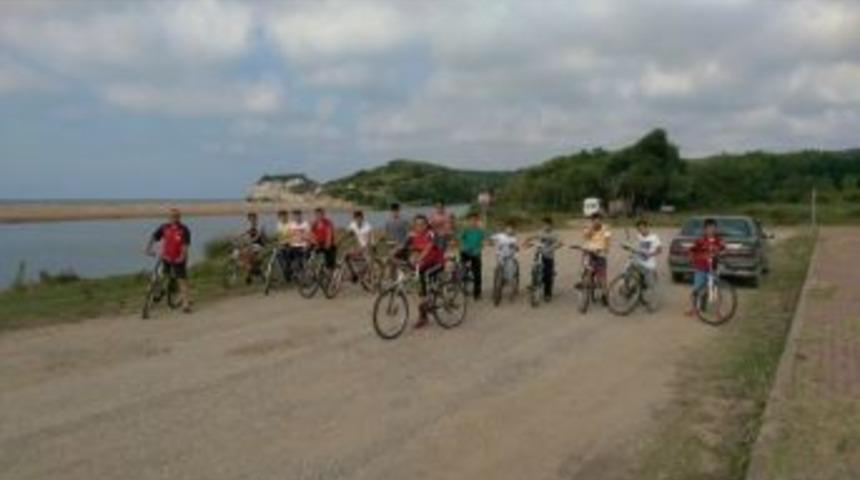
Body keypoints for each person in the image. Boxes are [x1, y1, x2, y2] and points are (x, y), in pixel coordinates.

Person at [146, 208, 192, 313]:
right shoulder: (164, 227)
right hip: (166, 257)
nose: (173, 218)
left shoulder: (184, 229)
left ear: (179, 217)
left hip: (178, 258)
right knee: (163, 276)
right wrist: (148, 248)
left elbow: (185, 245)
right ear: (168, 217)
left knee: (182, 280)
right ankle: (160, 292)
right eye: (171, 216)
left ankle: (186, 304)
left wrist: (182, 256)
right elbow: (154, 236)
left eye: (176, 216)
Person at [404, 214, 445, 328]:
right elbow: (404, 248)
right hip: (423, 264)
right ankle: (424, 312)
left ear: (427, 225)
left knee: (423, 277)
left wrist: (418, 258)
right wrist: (393, 255)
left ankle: (424, 312)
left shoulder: (430, 234)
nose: (419, 227)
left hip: (437, 263)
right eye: (416, 225)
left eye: (422, 224)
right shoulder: (412, 235)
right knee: (414, 287)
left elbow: (428, 247)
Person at [686, 218, 725, 316]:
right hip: (701, 268)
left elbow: (723, 250)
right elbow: (692, 250)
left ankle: (718, 311)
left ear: (716, 229)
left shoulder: (719, 240)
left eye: (713, 228)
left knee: (715, 290)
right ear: (705, 229)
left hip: (713, 268)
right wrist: (691, 258)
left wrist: (718, 252)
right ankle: (693, 309)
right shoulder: (700, 240)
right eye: (708, 228)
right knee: (697, 289)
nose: (711, 230)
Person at [526, 216, 561, 301]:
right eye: (544, 224)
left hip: (548, 256)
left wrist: (553, 247)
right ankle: (534, 283)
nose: (546, 226)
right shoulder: (540, 232)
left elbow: (560, 242)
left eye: (547, 224)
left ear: (551, 225)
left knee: (548, 275)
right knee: (534, 269)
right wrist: (527, 242)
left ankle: (547, 294)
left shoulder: (554, 234)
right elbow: (531, 237)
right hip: (539, 254)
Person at [457, 212, 486, 300]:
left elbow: (484, 241)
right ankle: (461, 286)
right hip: (465, 252)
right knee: (462, 271)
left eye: (475, 220)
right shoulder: (465, 230)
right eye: (471, 220)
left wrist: (483, 246)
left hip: (475, 253)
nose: (473, 222)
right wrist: (463, 246)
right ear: (468, 221)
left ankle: (477, 293)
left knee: (477, 274)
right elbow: (460, 239)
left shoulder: (480, 231)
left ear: (478, 221)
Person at [582, 212, 611, 290]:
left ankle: (604, 294)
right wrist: (591, 229)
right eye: (594, 220)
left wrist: (606, 249)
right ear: (592, 221)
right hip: (590, 252)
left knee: (602, 275)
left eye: (599, 220)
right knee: (588, 269)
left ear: (601, 220)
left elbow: (607, 240)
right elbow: (586, 237)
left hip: (600, 253)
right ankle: (586, 284)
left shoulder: (606, 228)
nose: (597, 222)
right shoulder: (588, 228)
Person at [634, 218, 662, 292]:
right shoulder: (639, 236)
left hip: (649, 262)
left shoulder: (654, 237)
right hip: (639, 260)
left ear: (646, 227)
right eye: (639, 230)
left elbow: (660, 250)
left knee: (646, 281)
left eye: (642, 229)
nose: (640, 231)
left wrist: (650, 254)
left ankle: (645, 289)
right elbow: (636, 246)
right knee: (629, 268)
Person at [238, 212, 267, 283]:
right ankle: (254, 273)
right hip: (252, 245)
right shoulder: (250, 226)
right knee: (242, 256)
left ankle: (250, 275)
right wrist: (236, 237)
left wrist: (250, 241)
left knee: (248, 254)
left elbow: (258, 236)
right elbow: (244, 233)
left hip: (260, 245)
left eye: (253, 218)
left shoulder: (260, 226)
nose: (252, 220)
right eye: (250, 219)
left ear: (256, 218)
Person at [284, 209, 312, 280]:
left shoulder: (305, 224)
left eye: (298, 216)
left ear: (300, 216)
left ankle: (302, 274)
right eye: (295, 216)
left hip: (303, 245)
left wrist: (306, 243)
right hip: (293, 245)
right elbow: (289, 236)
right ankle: (290, 275)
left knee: (300, 260)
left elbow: (309, 236)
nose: (297, 217)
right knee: (287, 258)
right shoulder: (291, 225)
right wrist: (287, 241)